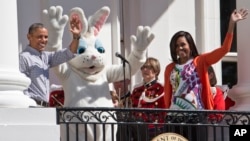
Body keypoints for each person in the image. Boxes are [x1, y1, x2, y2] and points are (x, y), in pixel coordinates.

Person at [163, 8, 248, 140]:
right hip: (173, 117)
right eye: (176, 46)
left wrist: (231, 24)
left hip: (196, 117)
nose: (179, 48)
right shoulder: (170, 68)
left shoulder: (200, 61)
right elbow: (167, 96)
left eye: (182, 44)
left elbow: (224, 49)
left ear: (190, 46)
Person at [19, 16, 81, 107]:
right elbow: (21, 85)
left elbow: (69, 53)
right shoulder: (23, 58)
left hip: (45, 107)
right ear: (29, 37)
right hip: (31, 106)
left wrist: (76, 37)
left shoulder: (46, 57)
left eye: (46, 37)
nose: (44, 40)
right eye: (39, 37)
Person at [130, 57, 166, 141]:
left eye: (148, 67)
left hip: (154, 128)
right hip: (136, 129)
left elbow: (165, 109)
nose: (144, 70)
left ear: (156, 71)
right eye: (143, 67)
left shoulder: (161, 87)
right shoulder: (137, 88)